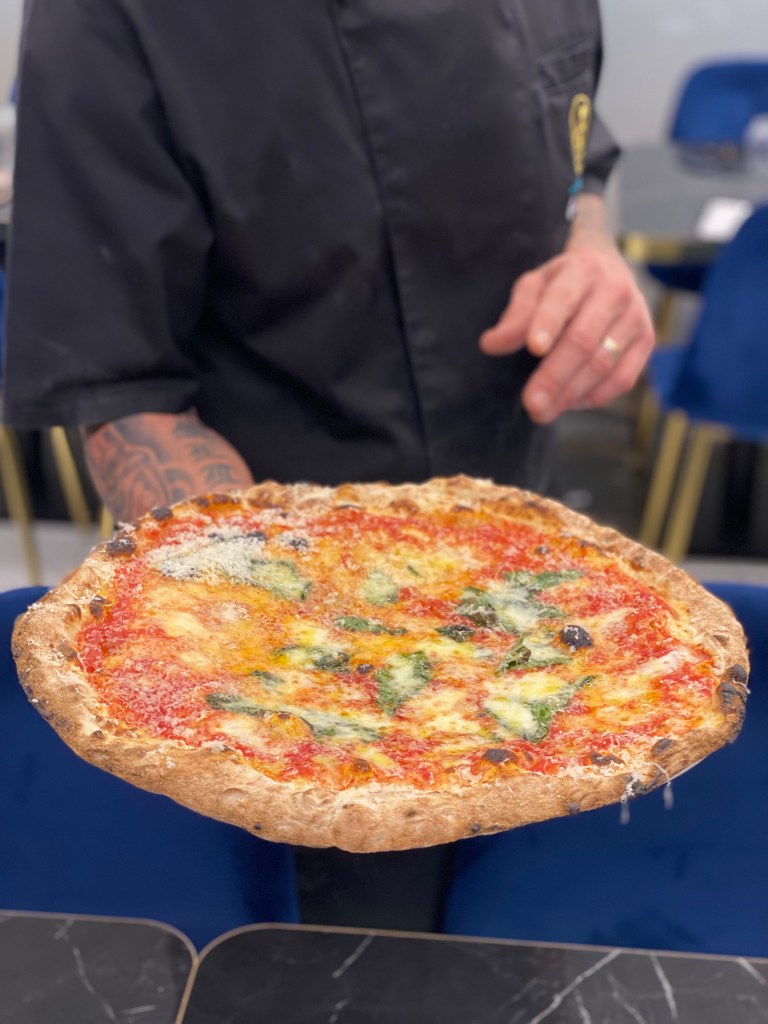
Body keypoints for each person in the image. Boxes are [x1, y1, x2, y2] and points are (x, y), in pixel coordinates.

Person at [1, 0, 654, 930]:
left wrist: (589, 247)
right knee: (344, 961)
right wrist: (308, 664)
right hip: (274, 657)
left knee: (529, 940)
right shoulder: (110, 15)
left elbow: (580, 151)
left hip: (540, 605)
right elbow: (122, 389)